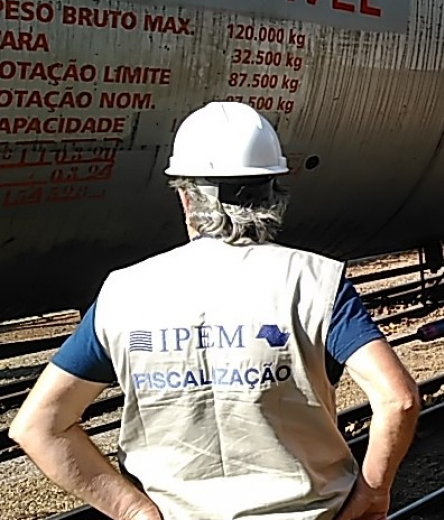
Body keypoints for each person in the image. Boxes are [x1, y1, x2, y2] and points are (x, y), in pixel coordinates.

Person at [11, 102, 420, 520]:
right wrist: (372, 493)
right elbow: (398, 400)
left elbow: (38, 425)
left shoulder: (123, 293)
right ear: (273, 195)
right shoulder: (317, 283)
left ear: (187, 197)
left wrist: (134, 511)